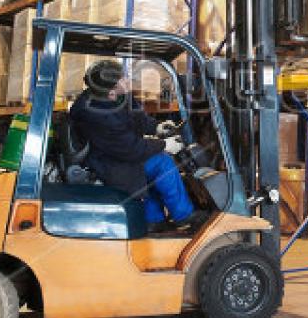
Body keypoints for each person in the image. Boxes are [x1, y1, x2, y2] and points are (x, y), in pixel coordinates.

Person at [69, 59, 207, 233]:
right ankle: (184, 216)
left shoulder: (116, 96)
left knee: (154, 165)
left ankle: (154, 220)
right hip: (108, 162)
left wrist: (156, 126)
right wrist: (164, 145)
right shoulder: (95, 113)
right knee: (162, 162)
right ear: (112, 90)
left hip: (119, 153)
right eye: (123, 79)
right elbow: (131, 149)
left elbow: (137, 118)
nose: (127, 80)